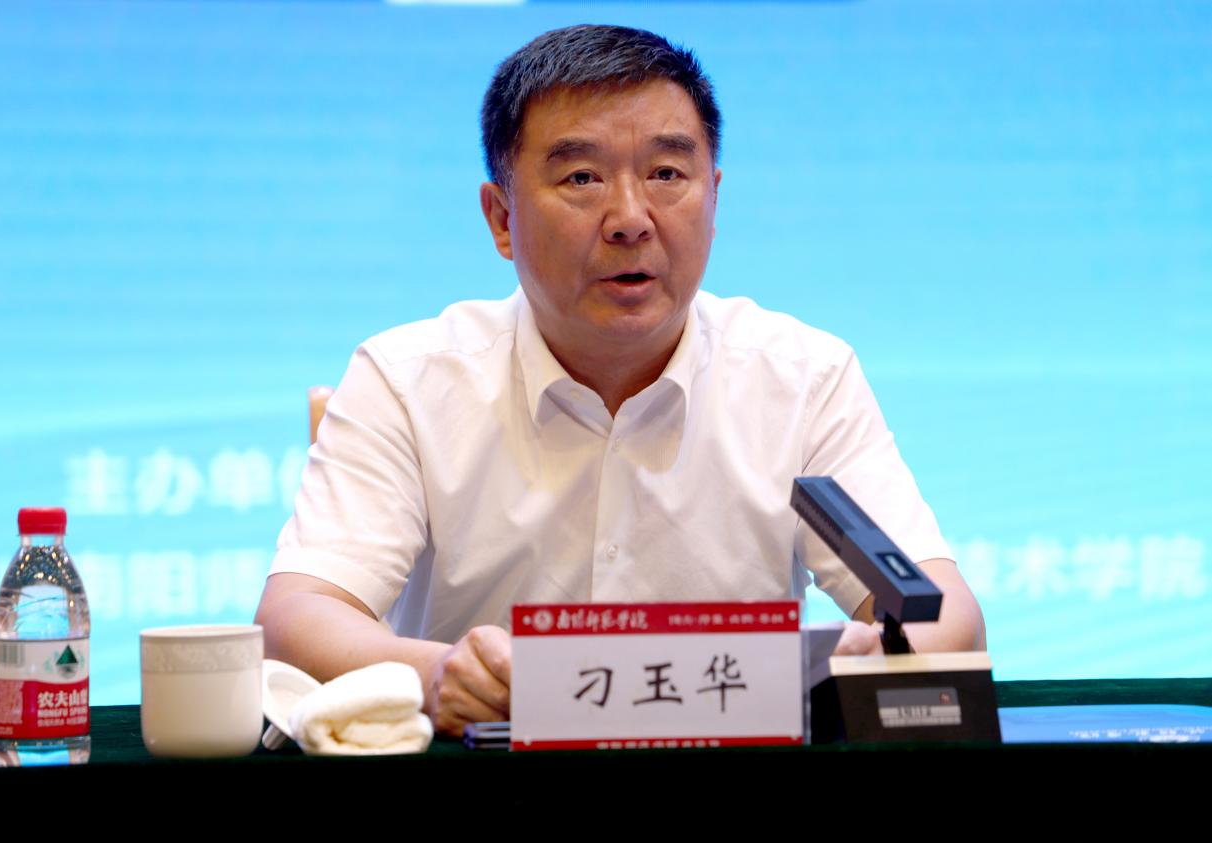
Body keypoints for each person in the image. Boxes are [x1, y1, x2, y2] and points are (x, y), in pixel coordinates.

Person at [255, 24, 986, 738]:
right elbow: (294, 619)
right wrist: (436, 672)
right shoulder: (406, 379)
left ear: (713, 199)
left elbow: (945, 614)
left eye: (666, 174)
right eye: (581, 177)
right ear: (501, 218)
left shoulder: (803, 377)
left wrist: (876, 659)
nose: (630, 219)